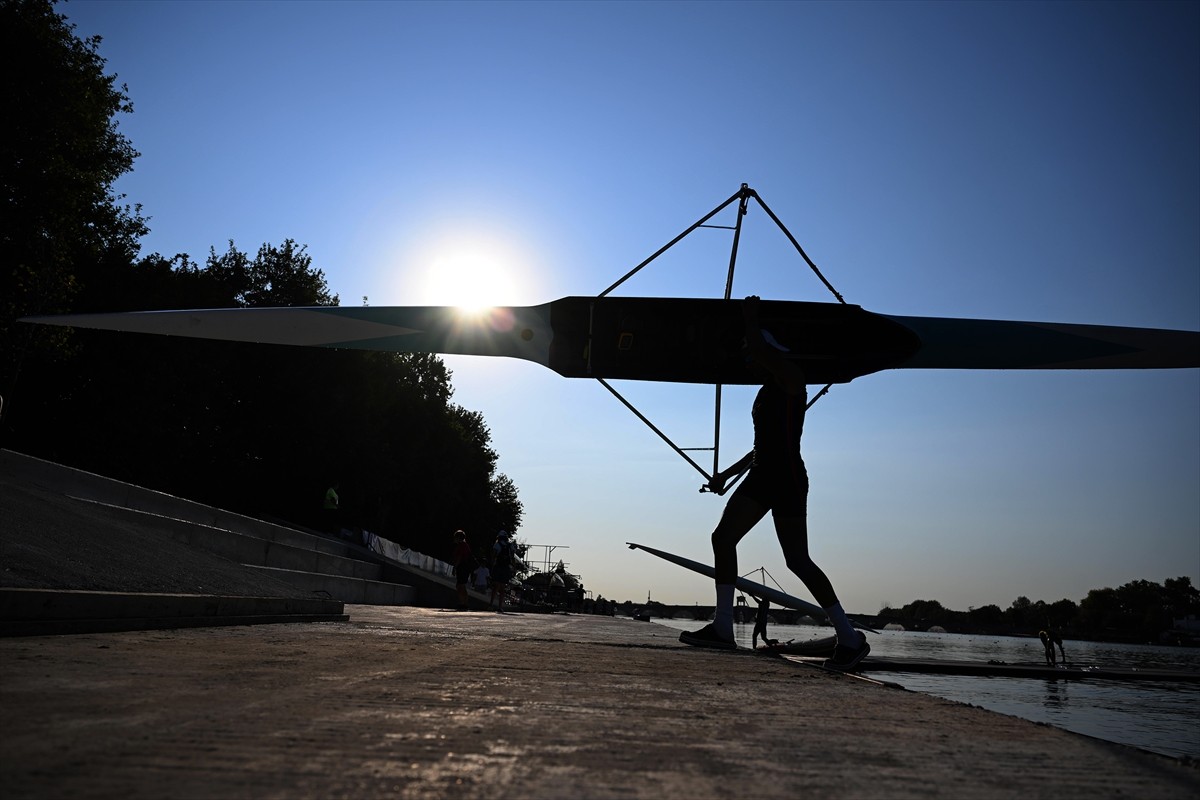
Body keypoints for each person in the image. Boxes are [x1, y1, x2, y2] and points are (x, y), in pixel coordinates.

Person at [680, 296, 870, 671]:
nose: (748, 355)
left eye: (753, 349)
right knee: (742, 543)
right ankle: (846, 638)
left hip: (780, 475)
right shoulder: (767, 389)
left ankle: (725, 628)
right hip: (768, 472)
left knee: (788, 557)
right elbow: (758, 447)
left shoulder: (791, 378)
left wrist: (750, 319)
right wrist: (726, 475)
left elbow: (762, 351)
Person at [490, 529, 514, 612]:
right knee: (502, 588)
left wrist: (492, 566)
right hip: (506, 568)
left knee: (495, 586)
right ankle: (500, 606)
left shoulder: (497, 545)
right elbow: (512, 557)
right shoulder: (510, 545)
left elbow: (493, 557)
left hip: (498, 567)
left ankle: (491, 604)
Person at [451, 530, 473, 611]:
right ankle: (464, 603)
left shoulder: (462, 545)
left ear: (458, 538)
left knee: (460, 585)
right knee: (461, 585)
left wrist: (454, 567)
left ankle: (463, 603)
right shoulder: (465, 545)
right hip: (465, 567)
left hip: (462, 567)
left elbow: (459, 558)